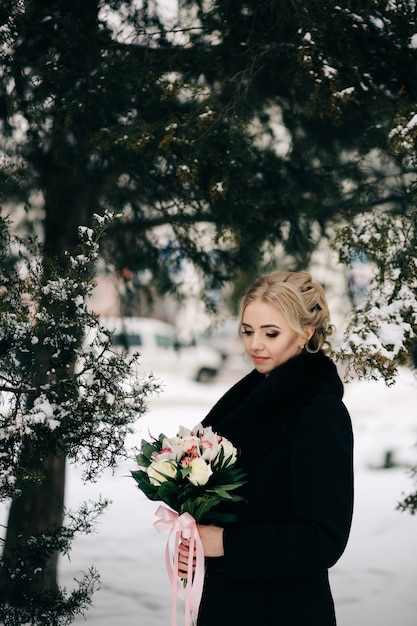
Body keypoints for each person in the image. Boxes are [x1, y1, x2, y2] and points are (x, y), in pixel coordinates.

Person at [178, 270, 354, 626]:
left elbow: (323, 539)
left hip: (286, 609)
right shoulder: (246, 400)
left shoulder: (320, 412)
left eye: (270, 333)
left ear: (306, 332)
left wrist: (225, 543)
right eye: (247, 331)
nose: (254, 344)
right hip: (228, 603)